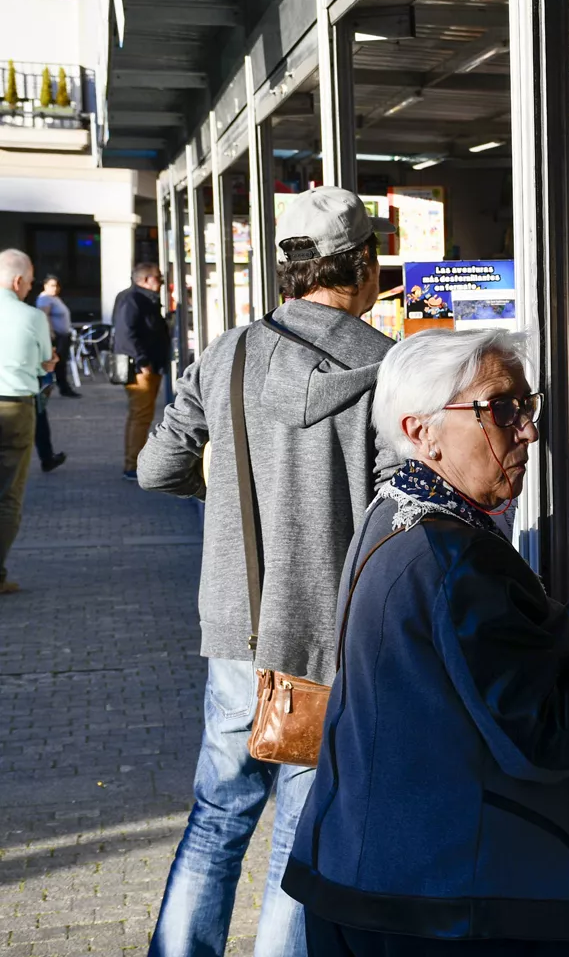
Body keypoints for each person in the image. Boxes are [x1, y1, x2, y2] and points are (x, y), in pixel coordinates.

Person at [283, 329, 569, 956]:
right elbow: (546, 737)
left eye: (527, 407)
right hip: (444, 902)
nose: (528, 431)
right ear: (420, 430)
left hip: (368, 874)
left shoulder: (397, 511)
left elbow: (491, 651)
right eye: (501, 409)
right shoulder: (457, 553)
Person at [136, 186, 399, 957]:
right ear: (361, 266)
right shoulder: (389, 368)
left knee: (216, 819)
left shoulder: (227, 353)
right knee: (301, 835)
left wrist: (217, 501)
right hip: (330, 642)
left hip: (236, 631)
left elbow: (157, 469)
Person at [0, 248, 56, 595]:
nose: (30, 288)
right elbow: (43, 363)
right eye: (30, 283)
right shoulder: (32, 316)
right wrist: (47, 365)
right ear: (18, 280)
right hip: (15, 408)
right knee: (8, 495)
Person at [112, 262, 172, 479]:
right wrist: (143, 361)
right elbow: (125, 333)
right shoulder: (133, 299)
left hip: (147, 366)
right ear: (146, 280)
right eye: (158, 276)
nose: (162, 280)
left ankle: (132, 462)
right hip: (141, 369)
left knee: (140, 416)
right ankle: (132, 465)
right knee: (140, 416)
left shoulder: (141, 298)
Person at [35, 276, 80, 396]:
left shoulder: (54, 298)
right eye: (51, 285)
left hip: (63, 335)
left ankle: (63, 387)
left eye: (56, 286)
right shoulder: (45, 299)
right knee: (55, 363)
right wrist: (50, 332)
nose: (55, 288)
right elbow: (44, 316)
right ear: (45, 285)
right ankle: (52, 388)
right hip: (55, 336)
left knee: (61, 363)